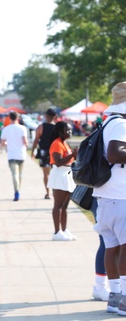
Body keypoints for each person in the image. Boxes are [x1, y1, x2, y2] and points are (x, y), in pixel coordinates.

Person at [92, 81, 126, 315]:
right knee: (124, 248)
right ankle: (124, 298)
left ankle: (114, 297)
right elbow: (115, 154)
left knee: (111, 247)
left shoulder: (106, 124)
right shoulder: (122, 124)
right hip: (120, 196)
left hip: (104, 196)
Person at [46, 121, 77, 241]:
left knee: (64, 206)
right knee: (58, 206)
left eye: (70, 130)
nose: (70, 132)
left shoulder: (64, 143)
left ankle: (64, 230)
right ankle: (56, 232)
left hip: (67, 174)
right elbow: (58, 162)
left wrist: (75, 155)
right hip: (60, 175)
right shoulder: (57, 144)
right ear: (60, 132)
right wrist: (72, 155)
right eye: (67, 130)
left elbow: (68, 159)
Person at [0, 111, 28, 201]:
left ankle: (16, 192)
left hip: (11, 155)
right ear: (18, 118)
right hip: (21, 154)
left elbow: (2, 143)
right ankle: (18, 190)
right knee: (20, 175)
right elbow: (25, 142)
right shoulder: (23, 128)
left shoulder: (6, 129)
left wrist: (9, 142)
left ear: (9, 118)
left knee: (14, 174)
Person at [31, 108, 56, 200]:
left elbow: (36, 140)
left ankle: (48, 193)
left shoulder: (41, 127)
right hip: (55, 152)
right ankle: (54, 192)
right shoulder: (57, 128)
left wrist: (33, 151)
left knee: (46, 174)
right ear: (54, 117)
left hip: (44, 151)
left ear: (45, 116)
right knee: (55, 173)